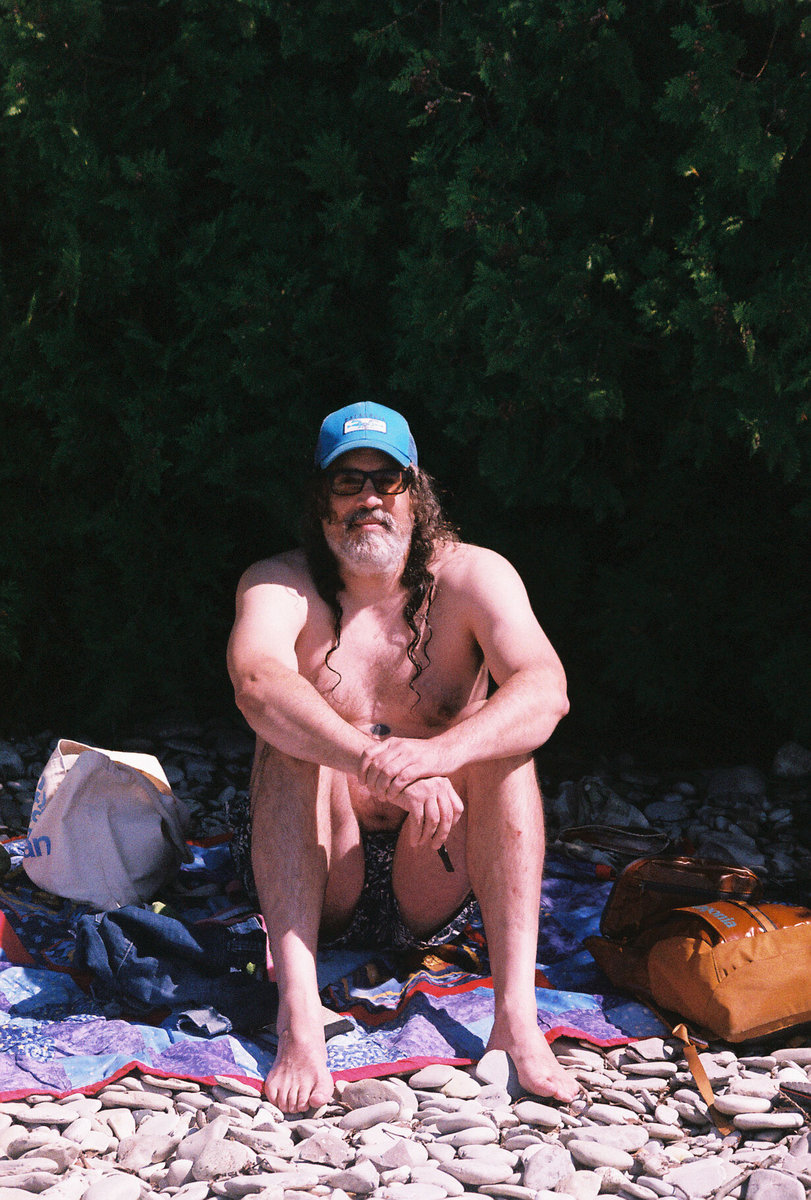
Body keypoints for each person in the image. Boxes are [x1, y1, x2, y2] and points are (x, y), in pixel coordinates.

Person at [226, 401, 577, 1113]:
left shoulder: (474, 576)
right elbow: (256, 683)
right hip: (322, 871)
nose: (368, 499)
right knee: (285, 737)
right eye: (346, 482)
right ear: (320, 500)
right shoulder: (278, 583)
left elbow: (546, 691)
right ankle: (299, 1016)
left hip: (435, 872)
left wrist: (437, 755)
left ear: (416, 493)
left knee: (506, 741)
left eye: (386, 480)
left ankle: (515, 1017)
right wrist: (373, 760)